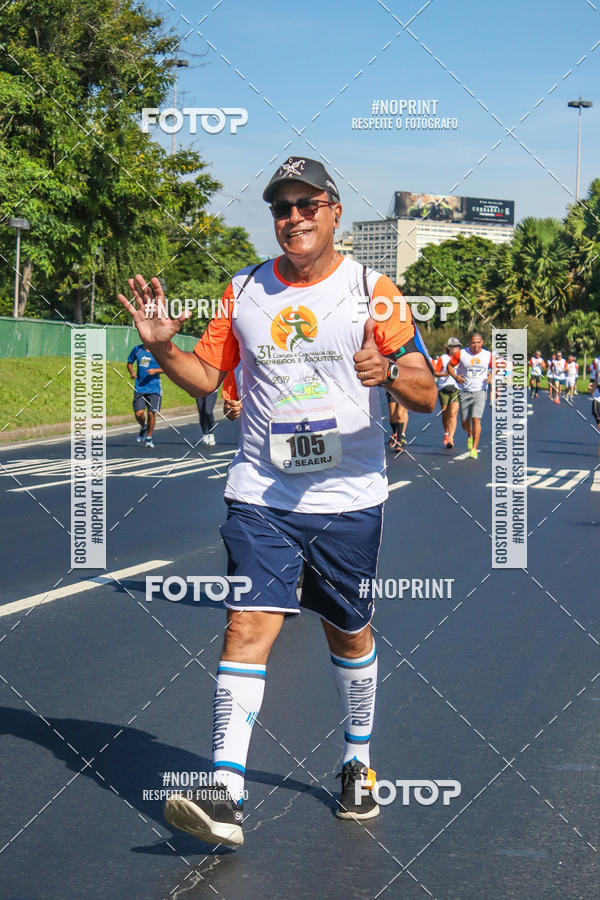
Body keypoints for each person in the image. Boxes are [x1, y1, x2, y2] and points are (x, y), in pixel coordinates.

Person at [118, 155, 437, 845]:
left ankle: (358, 761)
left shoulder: (372, 289)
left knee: (346, 627)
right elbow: (207, 376)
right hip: (261, 491)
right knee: (246, 624)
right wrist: (166, 349)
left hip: (349, 495)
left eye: (305, 205)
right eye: (281, 208)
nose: (293, 218)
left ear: (333, 211)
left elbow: (426, 390)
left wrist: (389, 371)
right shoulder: (245, 291)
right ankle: (225, 792)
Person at [446, 332, 493, 460]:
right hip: (464, 390)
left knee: (476, 419)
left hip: (480, 390)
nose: (475, 345)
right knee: (464, 422)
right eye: (473, 342)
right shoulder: (461, 354)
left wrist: (491, 376)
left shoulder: (488, 355)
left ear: (482, 342)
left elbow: (495, 367)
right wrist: (456, 377)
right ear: (469, 343)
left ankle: (474, 448)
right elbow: (449, 366)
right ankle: (470, 434)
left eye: (478, 342)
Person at [126, 343, 163, 448]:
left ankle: (149, 438)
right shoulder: (137, 349)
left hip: (154, 388)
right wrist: (132, 373)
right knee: (139, 414)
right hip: (140, 388)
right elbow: (129, 363)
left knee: (151, 413)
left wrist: (155, 371)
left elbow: (169, 368)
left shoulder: (159, 351)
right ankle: (143, 427)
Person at [433, 337, 461, 447]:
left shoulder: (461, 358)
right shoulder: (443, 358)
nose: (456, 348)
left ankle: (451, 438)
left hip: (456, 388)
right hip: (443, 388)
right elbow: (435, 372)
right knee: (445, 413)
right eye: (454, 346)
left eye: (458, 346)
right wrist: (445, 374)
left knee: (453, 414)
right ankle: (446, 432)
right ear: (449, 348)